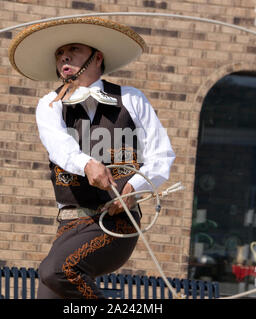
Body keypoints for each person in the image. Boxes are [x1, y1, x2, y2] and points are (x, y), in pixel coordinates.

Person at [9, 17, 175, 299]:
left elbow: (161, 155)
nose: (64, 56)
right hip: (70, 224)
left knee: (56, 271)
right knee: (49, 289)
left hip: (116, 222)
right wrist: (86, 164)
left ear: (97, 57)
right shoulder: (50, 106)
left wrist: (135, 189)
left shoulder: (132, 99)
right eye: (60, 53)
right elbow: (59, 146)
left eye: (73, 49)